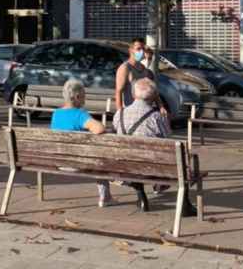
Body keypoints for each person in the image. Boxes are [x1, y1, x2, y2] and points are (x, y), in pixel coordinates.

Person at [113, 78, 197, 216]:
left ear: (134, 95)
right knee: (183, 164)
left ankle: (141, 195)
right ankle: (185, 206)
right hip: (153, 167)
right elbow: (166, 137)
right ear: (153, 97)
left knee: (135, 157)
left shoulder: (120, 113)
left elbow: (117, 131)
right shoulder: (157, 116)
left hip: (126, 165)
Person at [50, 79, 117, 207]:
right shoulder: (79, 114)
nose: (85, 98)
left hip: (58, 161)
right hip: (77, 163)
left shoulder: (56, 113)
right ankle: (105, 197)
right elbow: (99, 129)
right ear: (77, 96)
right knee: (101, 156)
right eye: (84, 95)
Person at [115, 38, 167, 117]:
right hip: (130, 112)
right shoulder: (125, 68)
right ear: (131, 50)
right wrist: (120, 112)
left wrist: (161, 107)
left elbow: (154, 92)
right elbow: (118, 91)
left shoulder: (146, 71)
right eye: (138, 49)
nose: (141, 52)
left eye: (143, 49)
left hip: (147, 112)